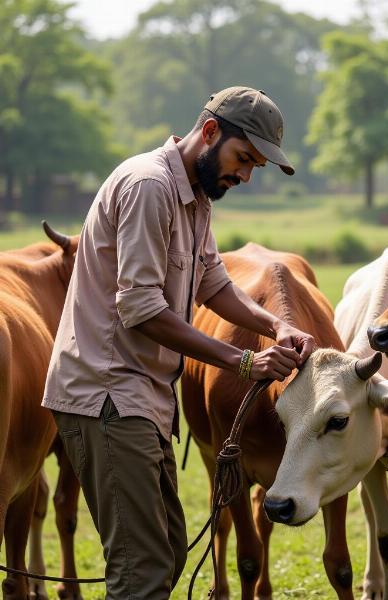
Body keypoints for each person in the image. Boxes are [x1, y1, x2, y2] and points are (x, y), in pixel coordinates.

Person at [43, 86, 315, 599]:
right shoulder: (149, 187)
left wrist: (275, 327)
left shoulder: (195, 196)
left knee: (164, 552)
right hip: (106, 397)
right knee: (142, 570)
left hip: (140, 399)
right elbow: (141, 307)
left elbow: (214, 284)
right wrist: (244, 362)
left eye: (255, 165)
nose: (246, 175)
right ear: (209, 132)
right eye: (243, 158)